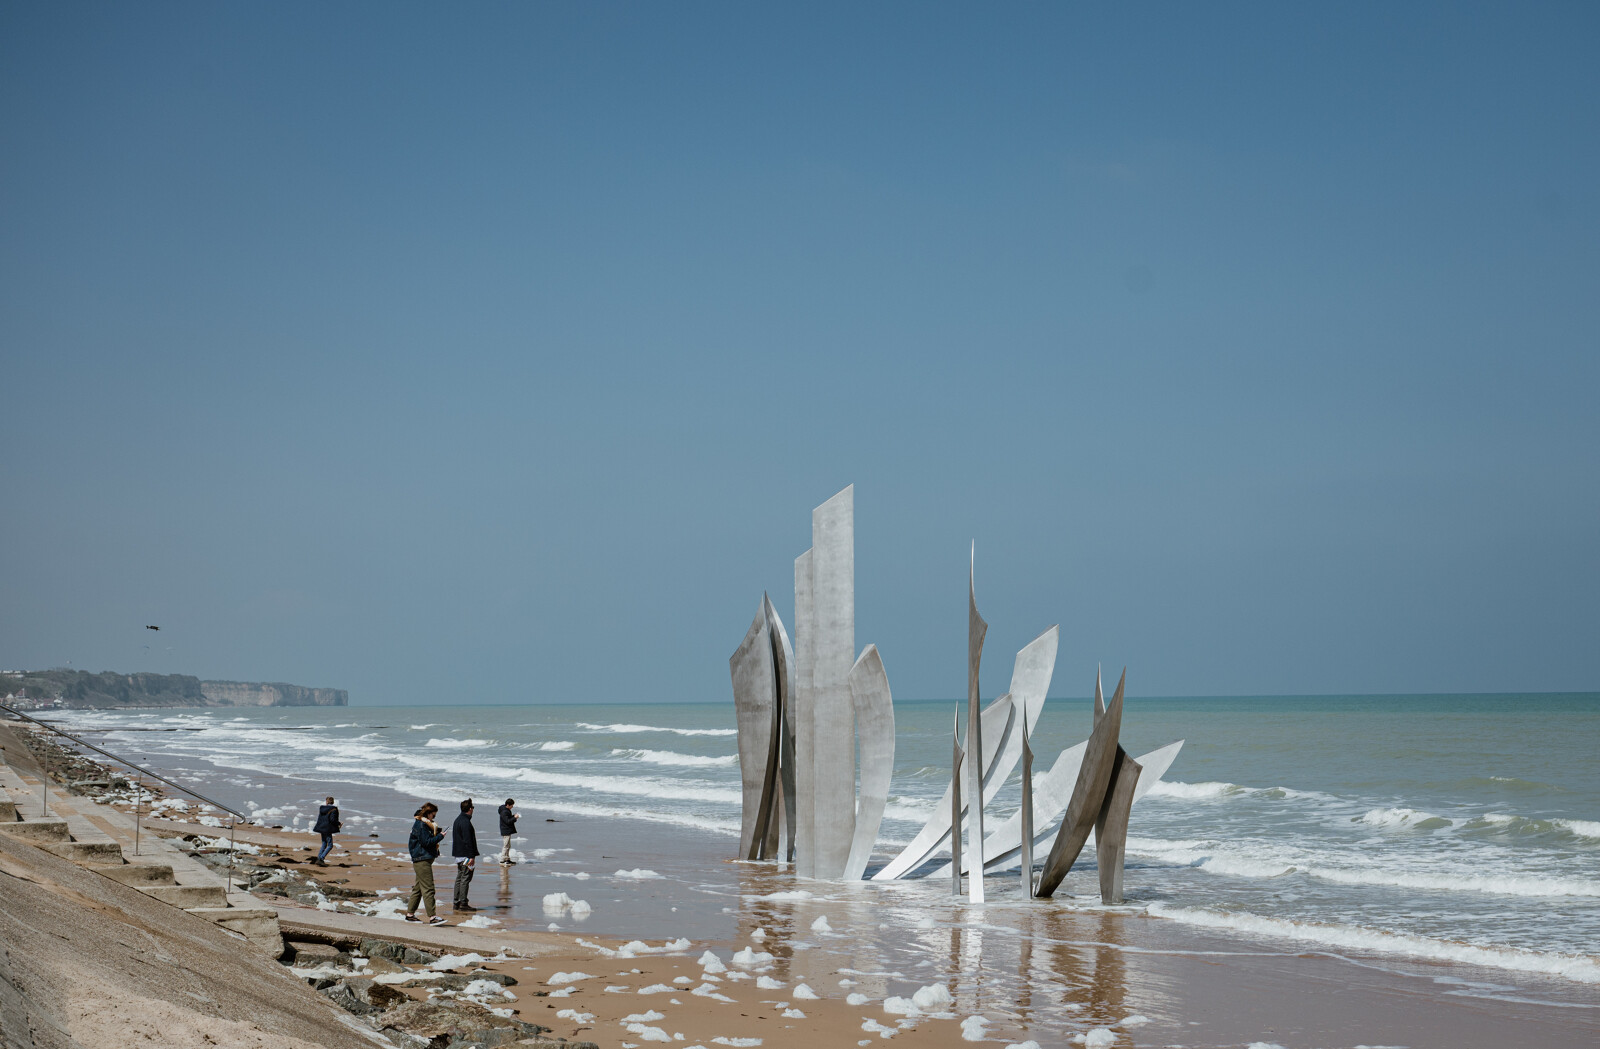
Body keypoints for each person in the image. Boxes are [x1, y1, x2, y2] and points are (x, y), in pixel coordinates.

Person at [402, 803, 447, 925]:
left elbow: (424, 840)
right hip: (422, 860)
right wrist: (440, 837)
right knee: (428, 888)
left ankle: (410, 915)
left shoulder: (422, 823)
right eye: (434, 814)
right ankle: (432, 917)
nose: (434, 816)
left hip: (421, 859)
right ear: (428, 813)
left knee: (418, 889)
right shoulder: (422, 825)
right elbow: (426, 842)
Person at [452, 798, 479, 912]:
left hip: (459, 854)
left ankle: (457, 901)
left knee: (460, 878)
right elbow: (468, 840)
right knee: (465, 878)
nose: (473, 810)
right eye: (472, 808)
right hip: (465, 855)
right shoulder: (465, 822)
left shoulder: (458, 820)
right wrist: (471, 856)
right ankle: (463, 902)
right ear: (469, 809)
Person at [312, 796, 340, 866]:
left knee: (324, 843)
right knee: (330, 845)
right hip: (327, 829)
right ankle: (321, 858)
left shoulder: (322, 808)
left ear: (326, 802)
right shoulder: (334, 809)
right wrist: (338, 823)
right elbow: (333, 820)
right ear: (333, 802)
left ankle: (319, 858)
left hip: (321, 828)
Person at [497, 798, 519, 864]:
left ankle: (507, 859)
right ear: (508, 805)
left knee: (508, 845)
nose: (512, 807)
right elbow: (508, 821)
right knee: (506, 845)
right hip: (505, 830)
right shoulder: (504, 811)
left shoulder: (505, 810)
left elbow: (508, 818)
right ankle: (503, 859)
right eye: (512, 805)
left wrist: (513, 816)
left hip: (506, 829)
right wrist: (515, 818)